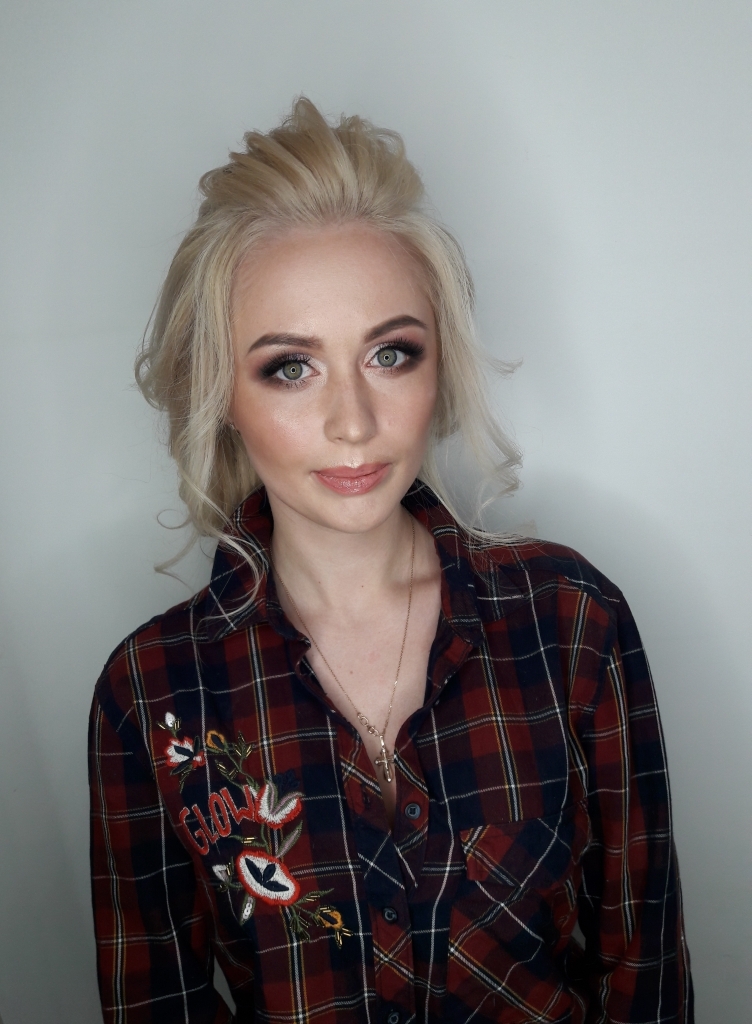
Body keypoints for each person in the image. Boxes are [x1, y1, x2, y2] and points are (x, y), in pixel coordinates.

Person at [89, 98, 693, 1024]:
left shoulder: (571, 620)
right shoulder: (153, 692)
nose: (353, 422)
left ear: (438, 367)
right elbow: (154, 1002)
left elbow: (643, 972)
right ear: (220, 396)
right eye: (289, 367)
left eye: (390, 354)